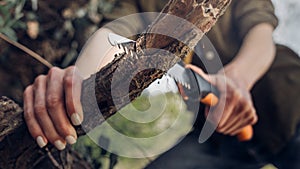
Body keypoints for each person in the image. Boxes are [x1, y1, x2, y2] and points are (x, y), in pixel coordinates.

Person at [23, 0, 300, 168]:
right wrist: (72, 87)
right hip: (214, 135)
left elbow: (261, 33)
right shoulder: (135, 6)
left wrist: (236, 79)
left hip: (287, 104)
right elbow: (108, 40)